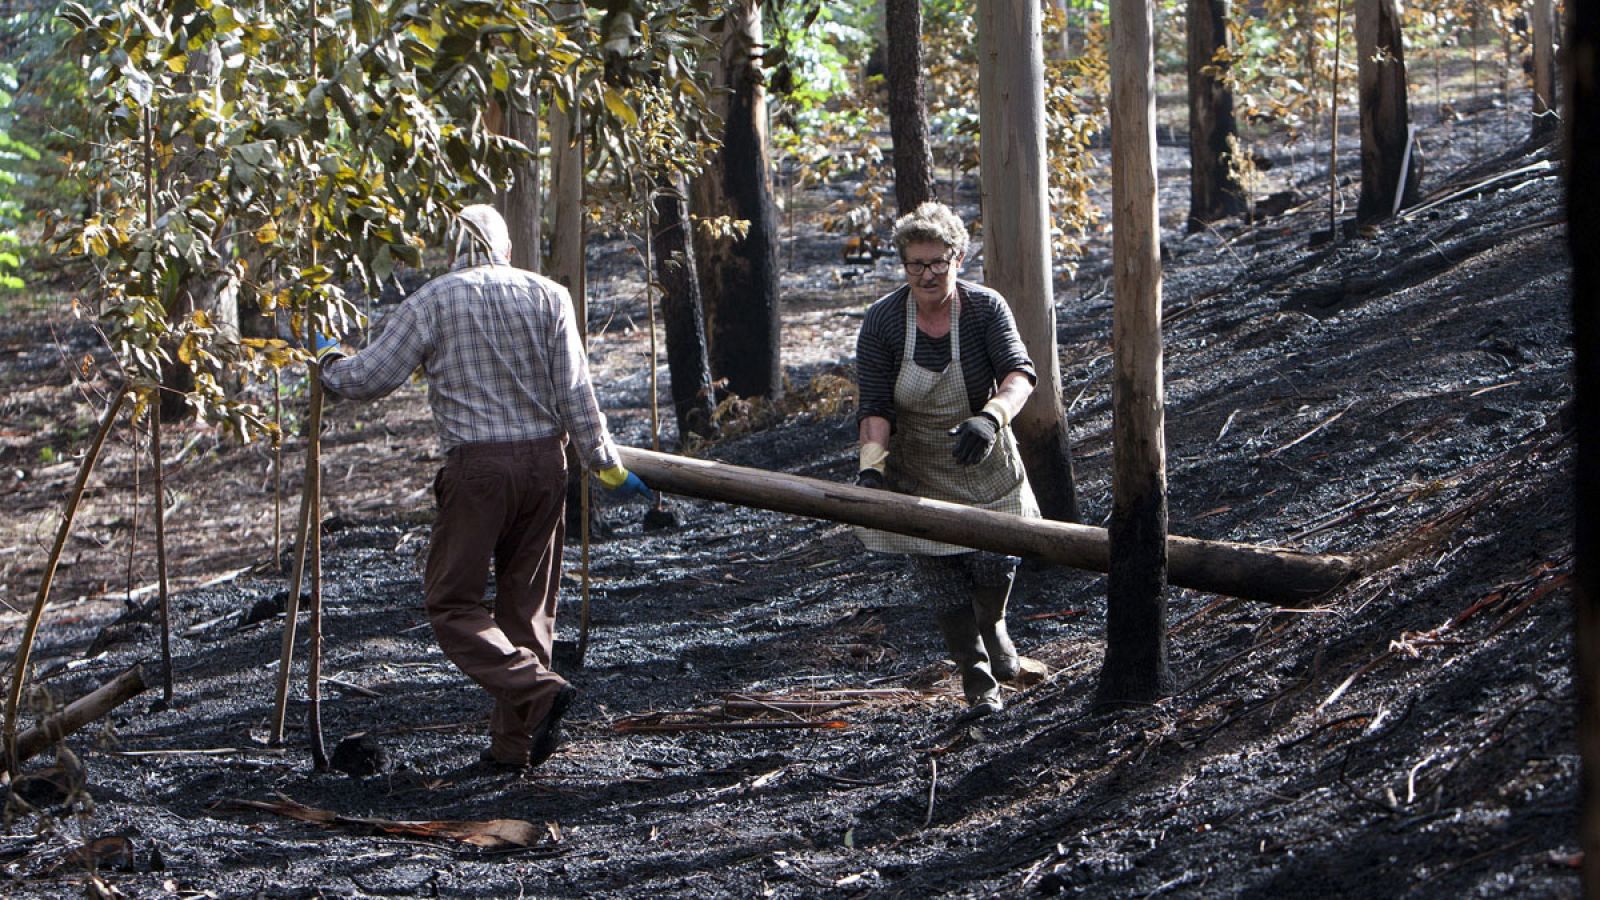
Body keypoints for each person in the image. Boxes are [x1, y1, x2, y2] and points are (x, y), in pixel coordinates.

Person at [315, 204, 651, 768]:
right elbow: (576, 391)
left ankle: (538, 690)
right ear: (506, 249)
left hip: (478, 472)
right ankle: (515, 747)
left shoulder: (432, 300)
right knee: (528, 606)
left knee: (451, 602)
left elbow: (369, 379)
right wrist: (605, 463)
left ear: (453, 250)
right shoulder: (549, 296)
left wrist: (327, 361)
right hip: (546, 467)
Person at [854, 201, 1040, 720]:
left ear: (958, 258)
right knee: (939, 580)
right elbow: (875, 406)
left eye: (938, 262)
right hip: (917, 468)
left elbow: (1020, 374)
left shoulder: (984, 308)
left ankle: (994, 624)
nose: (928, 275)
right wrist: (871, 470)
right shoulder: (884, 320)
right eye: (916, 264)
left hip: (984, 458)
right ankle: (977, 679)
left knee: (996, 559)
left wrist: (991, 418)